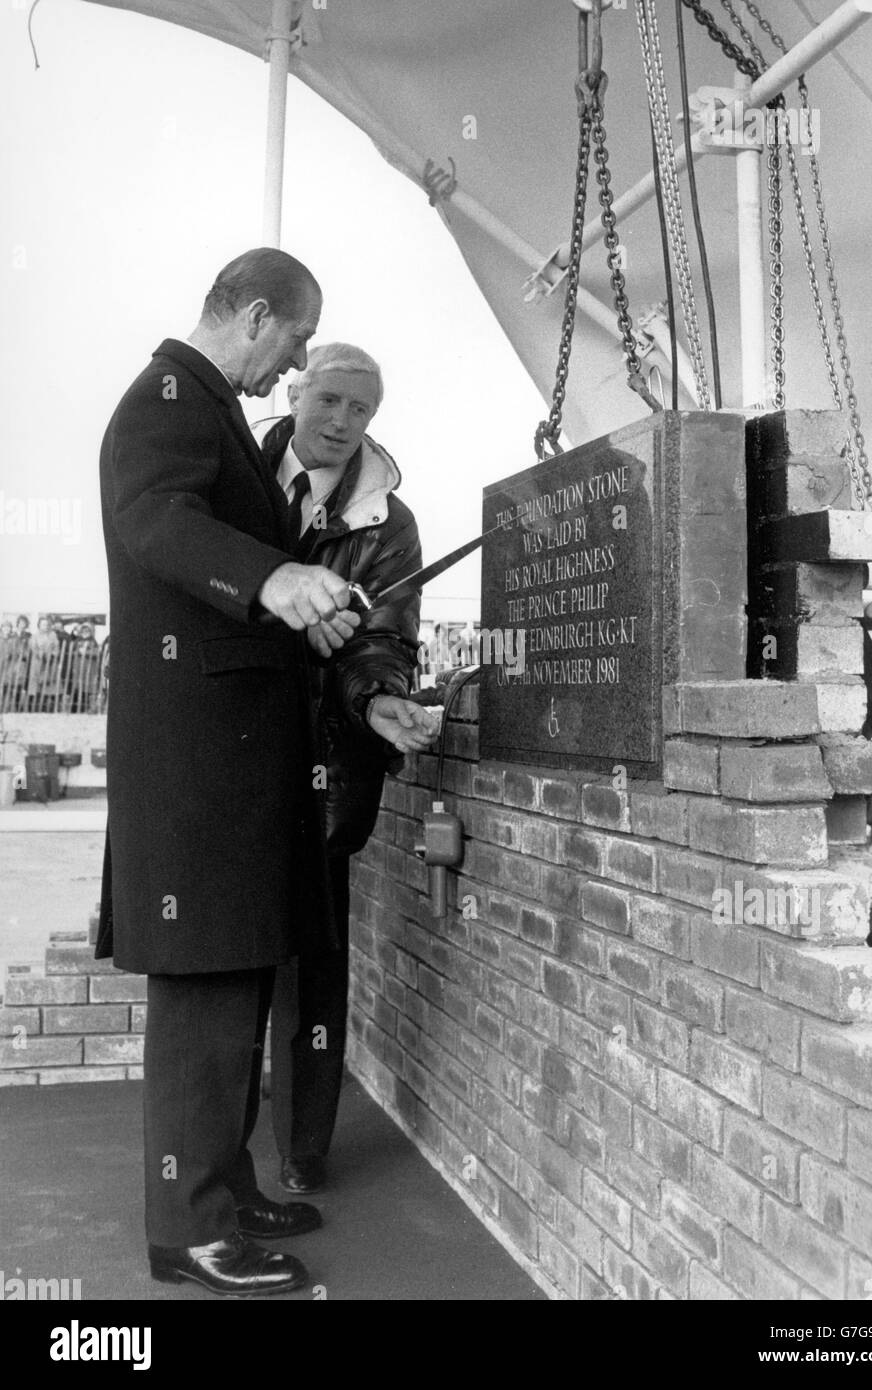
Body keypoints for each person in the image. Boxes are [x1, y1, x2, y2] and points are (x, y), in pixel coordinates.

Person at [95, 248, 362, 1298]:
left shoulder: (201, 405)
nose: (294, 369)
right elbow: (156, 525)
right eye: (295, 343)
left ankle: (224, 1182)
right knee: (206, 993)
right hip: (199, 771)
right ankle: (189, 1230)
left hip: (228, 768)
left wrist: (309, 606)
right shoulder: (167, 399)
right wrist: (274, 574)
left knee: (239, 975)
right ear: (257, 315)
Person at [253, 343, 438, 1195]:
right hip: (237, 754)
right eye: (327, 399)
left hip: (329, 764)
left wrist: (374, 700)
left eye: (360, 410)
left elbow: (383, 639)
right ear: (295, 389)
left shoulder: (390, 524)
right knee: (234, 958)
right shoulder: (237, 475)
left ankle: (302, 1153)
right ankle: (216, 1149)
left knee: (316, 957)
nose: (340, 422)